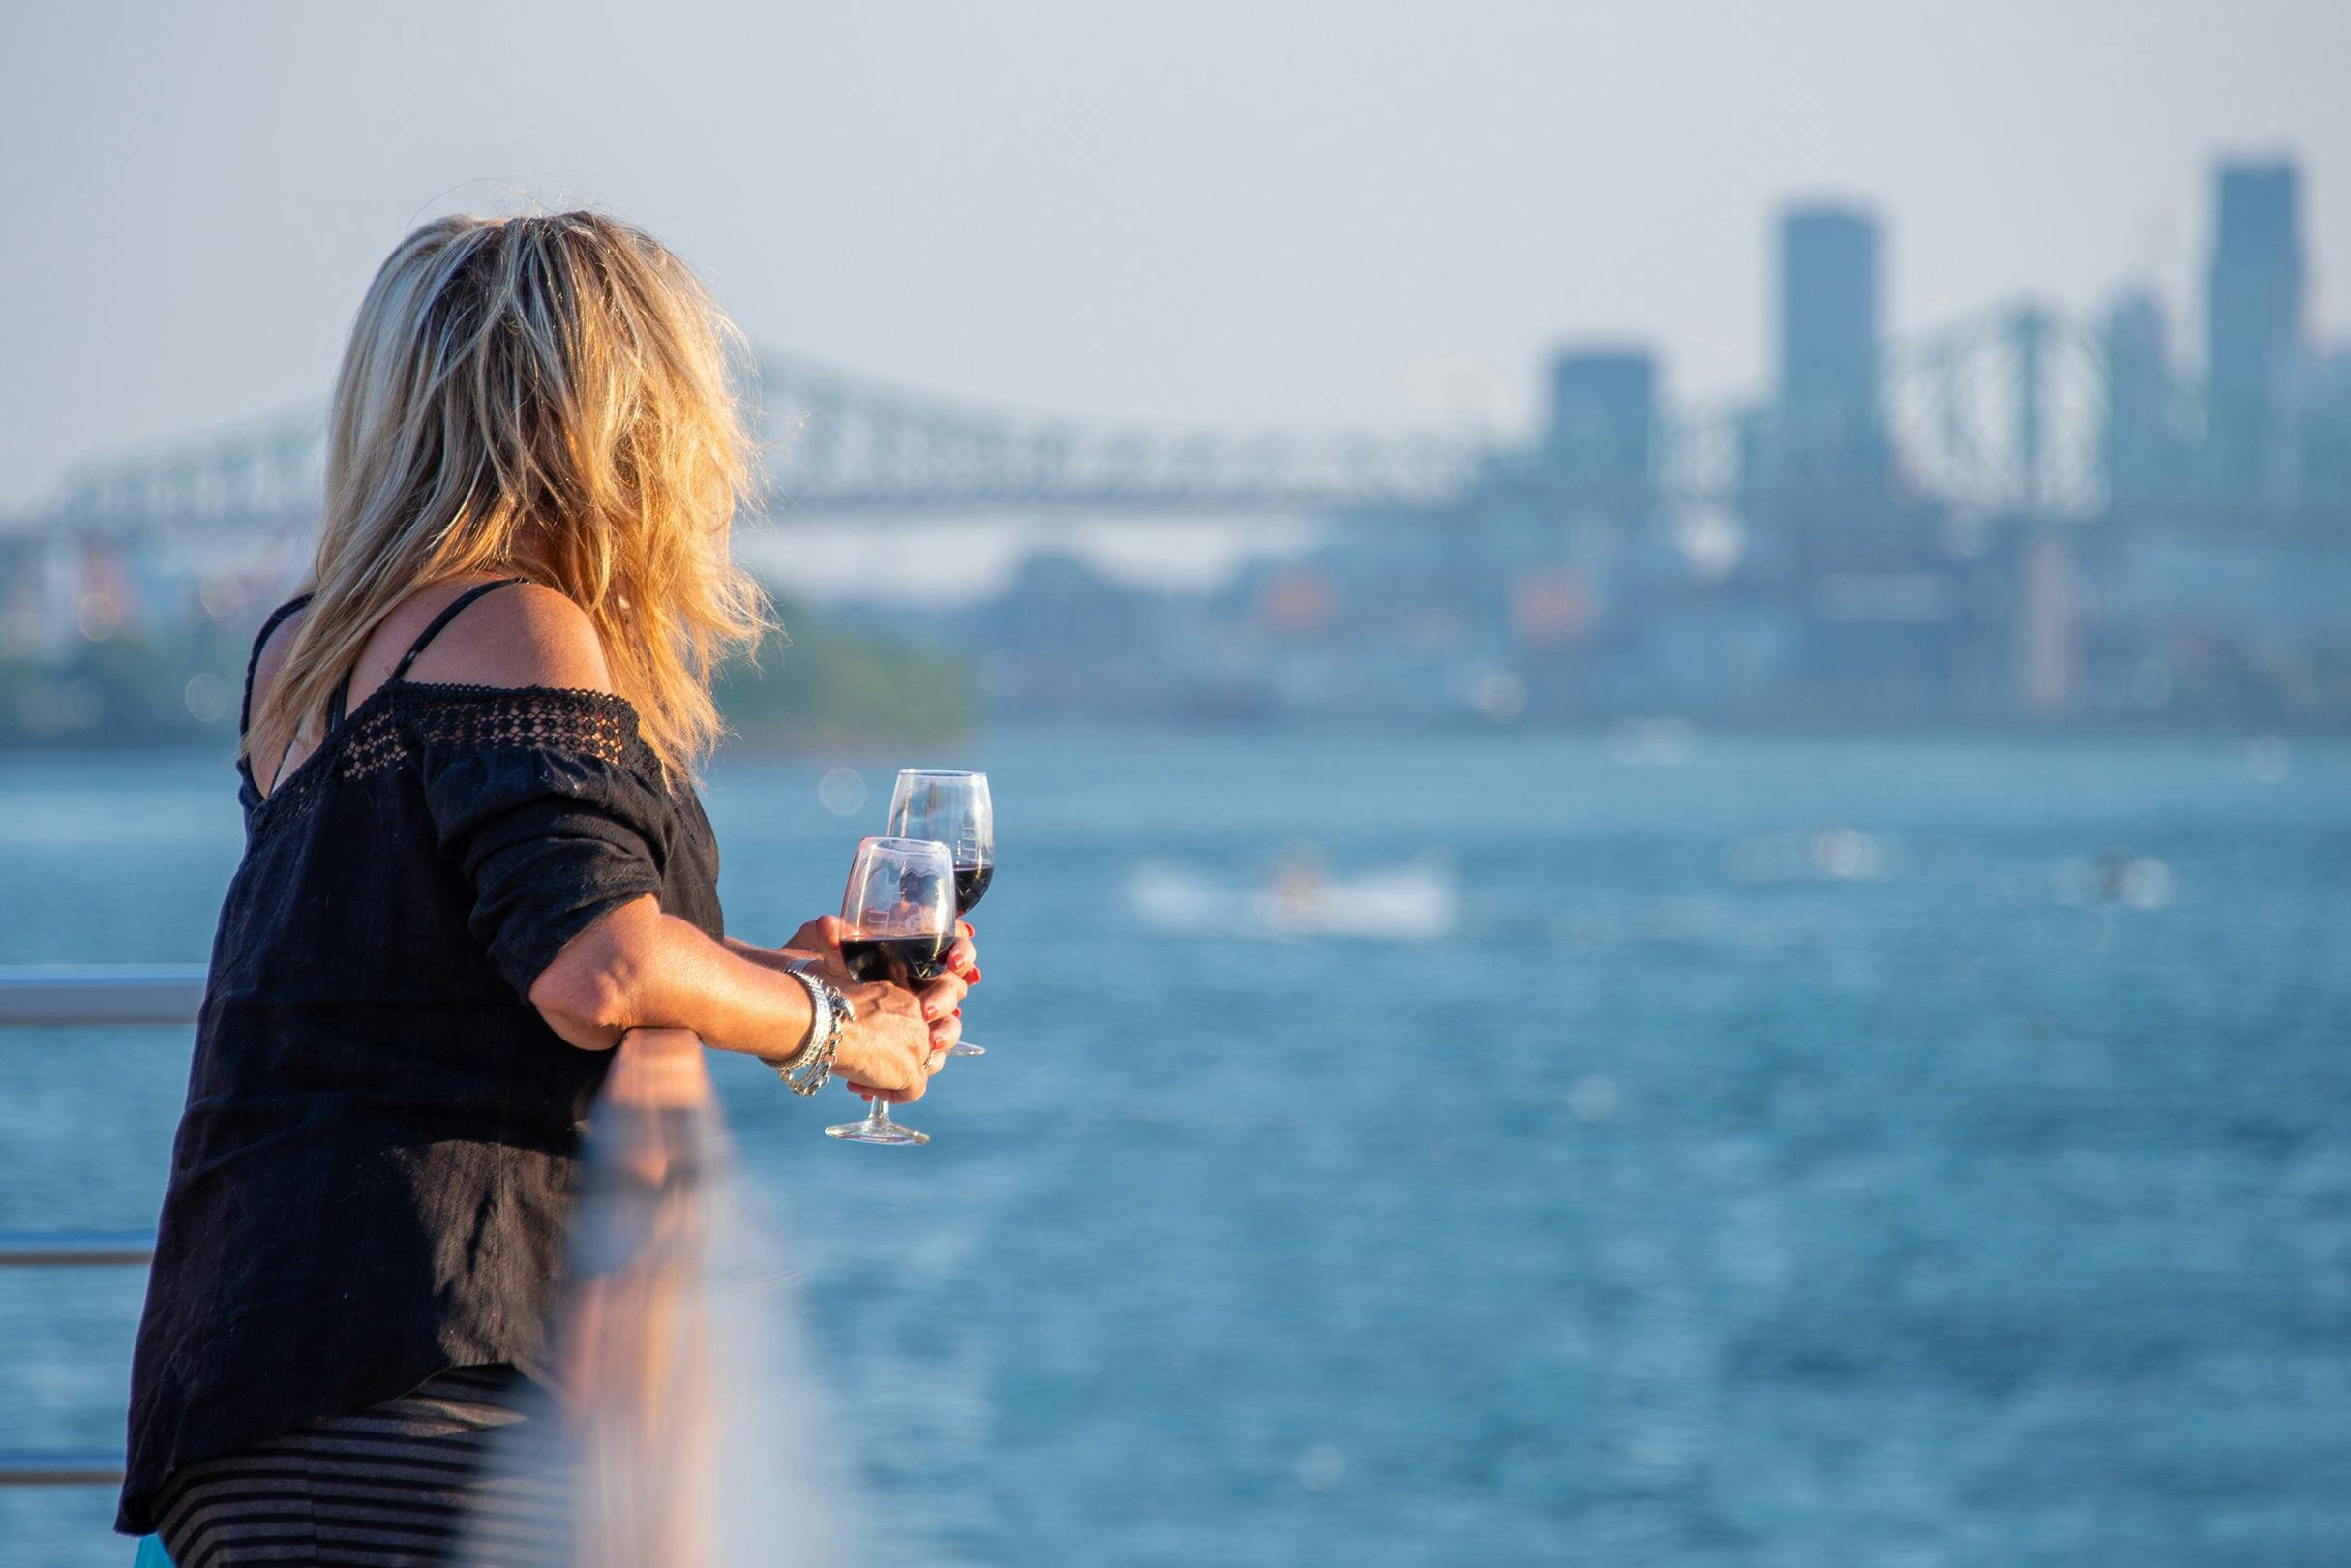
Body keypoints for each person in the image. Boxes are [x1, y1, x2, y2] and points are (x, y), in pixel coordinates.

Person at [112, 210, 980, 1565]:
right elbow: (600, 969)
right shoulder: (512, 622)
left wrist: (785, 971)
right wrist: (836, 1034)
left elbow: (430, 955)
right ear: (629, 420)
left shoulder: (308, 648)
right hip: (418, 1378)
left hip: (249, 1368)